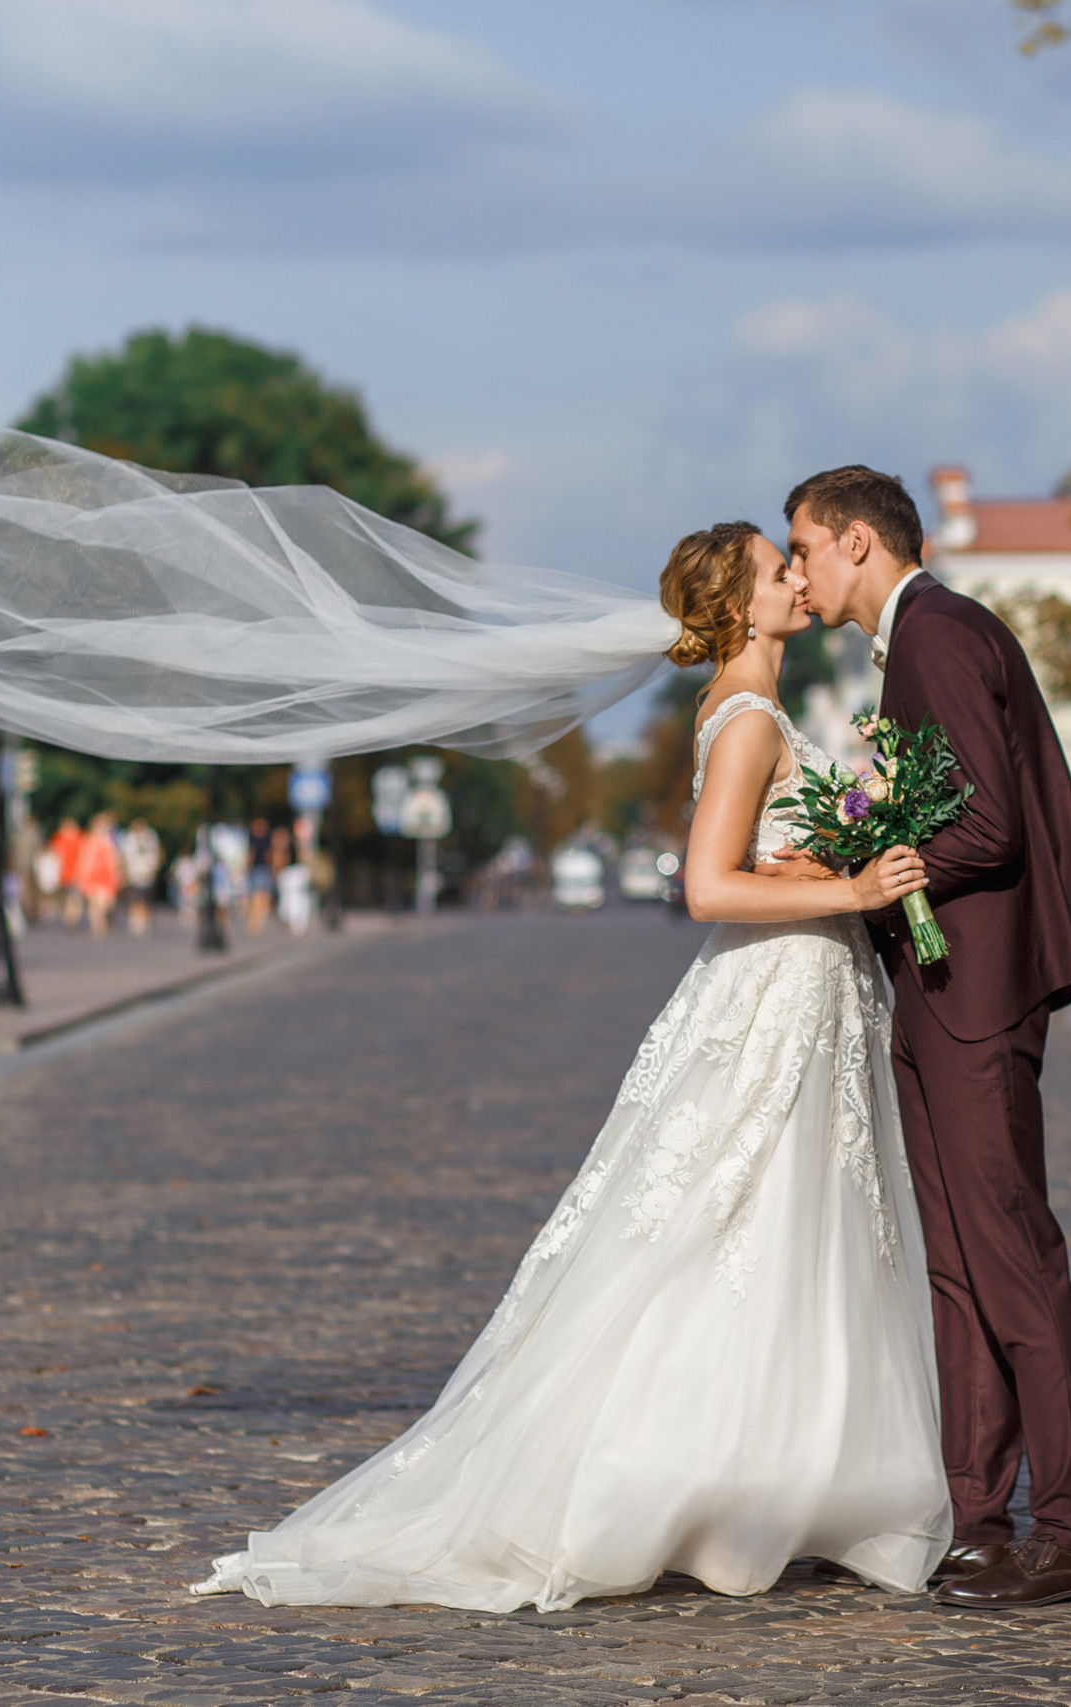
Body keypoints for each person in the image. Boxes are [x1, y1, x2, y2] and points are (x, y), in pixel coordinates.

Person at [196, 521, 943, 1611]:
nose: (796, 576)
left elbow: (752, 856)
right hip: (770, 991)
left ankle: (792, 1473)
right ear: (738, 606)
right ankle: (706, 1482)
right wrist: (852, 890)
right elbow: (704, 888)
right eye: (776, 567)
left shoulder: (764, 710)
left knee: (791, 1222)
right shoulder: (743, 719)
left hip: (807, 994)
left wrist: (829, 853)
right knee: (726, 1223)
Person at [780, 464, 1071, 1612]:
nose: (799, 571)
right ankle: (976, 1519)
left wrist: (872, 859)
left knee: (1010, 1253)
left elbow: (984, 820)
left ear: (856, 545)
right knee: (955, 1267)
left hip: (976, 988)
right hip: (939, 989)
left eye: (805, 548)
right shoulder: (923, 635)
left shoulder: (934, 633)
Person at [75, 812, 123, 938]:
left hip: (106, 874)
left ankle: (101, 920)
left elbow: (115, 858)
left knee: (105, 902)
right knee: (93, 902)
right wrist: (81, 874)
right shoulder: (88, 840)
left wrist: (117, 873)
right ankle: (97, 924)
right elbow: (83, 858)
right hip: (91, 874)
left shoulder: (111, 840)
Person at [120, 818, 164, 938]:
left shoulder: (150, 837)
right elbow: (124, 856)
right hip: (134, 873)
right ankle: (136, 920)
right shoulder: (129, 838)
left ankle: (144, 920)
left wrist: (155, 868)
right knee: (135, 898)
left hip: (147, 873)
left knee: (145, 900)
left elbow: (156, 853)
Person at [48, 817, 86, 929]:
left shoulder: (79, 838)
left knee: (74, 897)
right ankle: (68, 915)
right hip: (62, 873)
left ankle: (72, 916)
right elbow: (54, 855)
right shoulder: (58, 838)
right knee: (64, 897)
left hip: (76, 872)